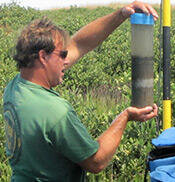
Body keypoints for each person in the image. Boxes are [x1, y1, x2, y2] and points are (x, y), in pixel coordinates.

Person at [3, 1, 158, 182]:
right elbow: (96, 161)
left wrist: (121, 14)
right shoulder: (55, 111)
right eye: (62, 55)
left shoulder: (15, 86)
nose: (66, 60)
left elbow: (79, 44)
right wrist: (124, 118)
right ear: (43, 57)